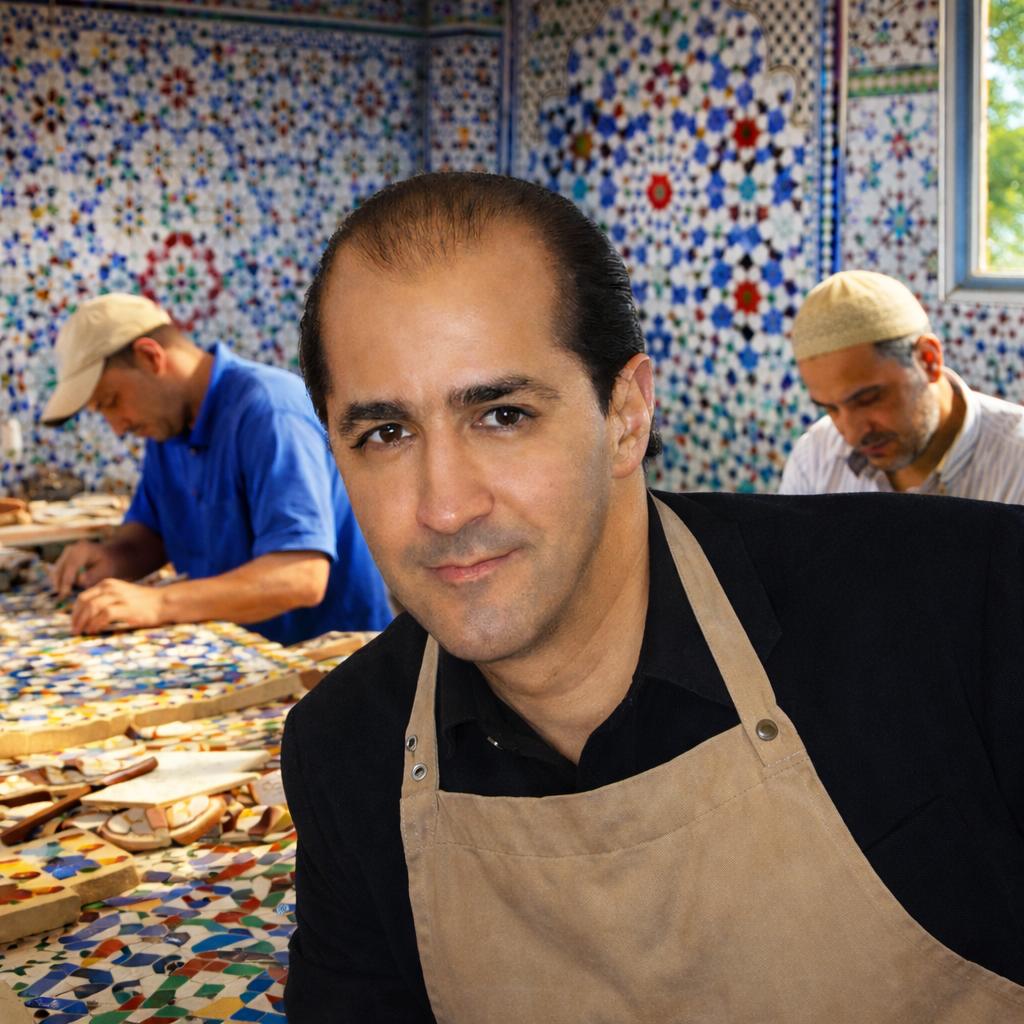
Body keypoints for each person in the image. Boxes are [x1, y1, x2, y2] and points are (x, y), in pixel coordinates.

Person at [281, 174, 1024, 1023]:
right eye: (386, 433)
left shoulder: (963, 613)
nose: (445, 507)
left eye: (503, 416)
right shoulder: (347, 754)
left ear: (627, 416)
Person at [45, 293, 392, 644]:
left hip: (330, 659)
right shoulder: (166, 429)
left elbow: (300, 577)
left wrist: (159, 602)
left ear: (150, 357)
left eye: (112, 401)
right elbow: (152, 535)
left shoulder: (269, 411)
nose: (117, 427)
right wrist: (110, 558)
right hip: (237, 650)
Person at [779, 269, 1024, 499]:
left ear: (928, 360)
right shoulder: (813, 459)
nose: (851, 436)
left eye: (867, 400)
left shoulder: (1017, 463)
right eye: (831, 409)